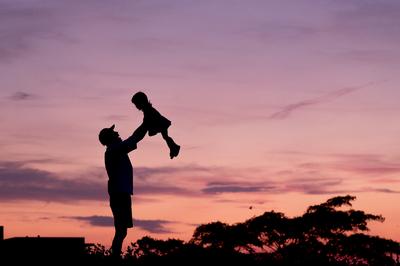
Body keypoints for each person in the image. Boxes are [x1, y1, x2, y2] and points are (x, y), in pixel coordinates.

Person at [98, 123, 147, 259]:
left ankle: (115, 256)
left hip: (120, 193)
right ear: (110, 138)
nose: (117, 133)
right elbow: (134, 138)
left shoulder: (115, 150)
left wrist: (145, 125)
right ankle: (115, 257)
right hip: (119, 194)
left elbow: (134, 139)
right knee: (120, 231)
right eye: (114, 133)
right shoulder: (114, 150)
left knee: (122, 231)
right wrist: (146, 124)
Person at [131, 91, 180, 159]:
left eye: (136, 104)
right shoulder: (147, 109)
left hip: (160, 123)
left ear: (141, 102)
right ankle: (174, 148)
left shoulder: (147, 109)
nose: (136, 106)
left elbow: (147, 120)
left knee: (165, 137)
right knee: (165, 137)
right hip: (160, 123)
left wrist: (149, 128)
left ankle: (174, 148)